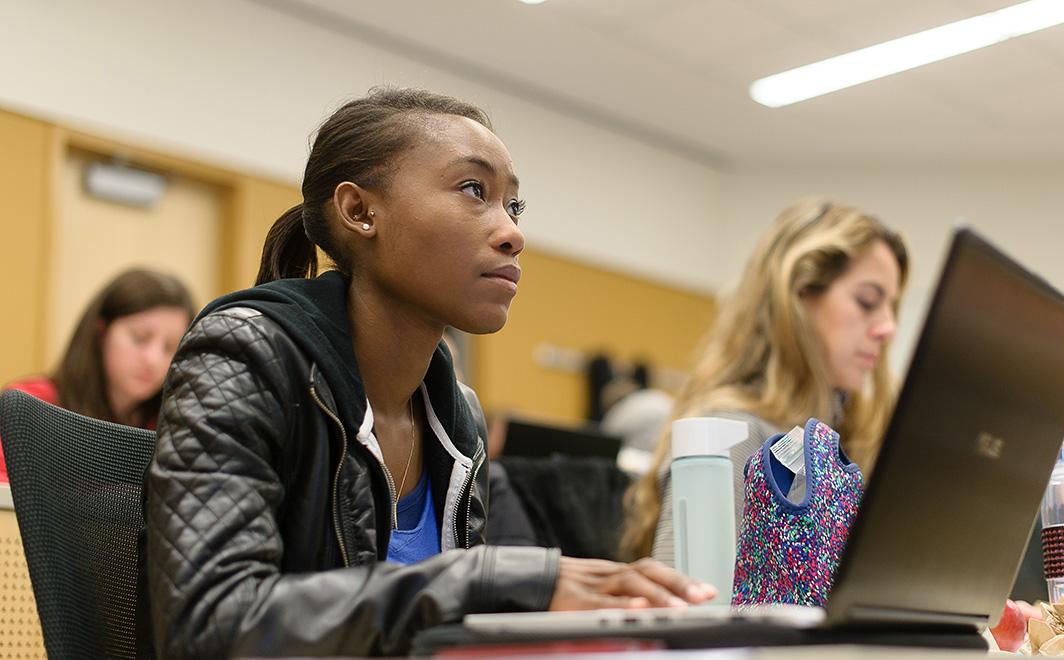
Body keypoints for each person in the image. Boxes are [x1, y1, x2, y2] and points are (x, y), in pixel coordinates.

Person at [144, 87, 713, 659]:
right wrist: (489, 581)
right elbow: (208, 627)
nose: (513, 232)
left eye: (513, 206)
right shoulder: (244, 354)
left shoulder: (454, 410)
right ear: (361, 211)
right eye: (474, 190)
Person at [620, 199, 909, 564]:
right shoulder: (729, 433)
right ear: (798, 296)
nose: (888, 328)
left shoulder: (851, 440)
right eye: (868, 302)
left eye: (892, 307)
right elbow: (693, 604)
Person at [0, 268, 193, 482]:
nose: (153, 359)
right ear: (100, 332)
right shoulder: (31, 405)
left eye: (170, 347)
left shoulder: (173, 423)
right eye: (140, 338)